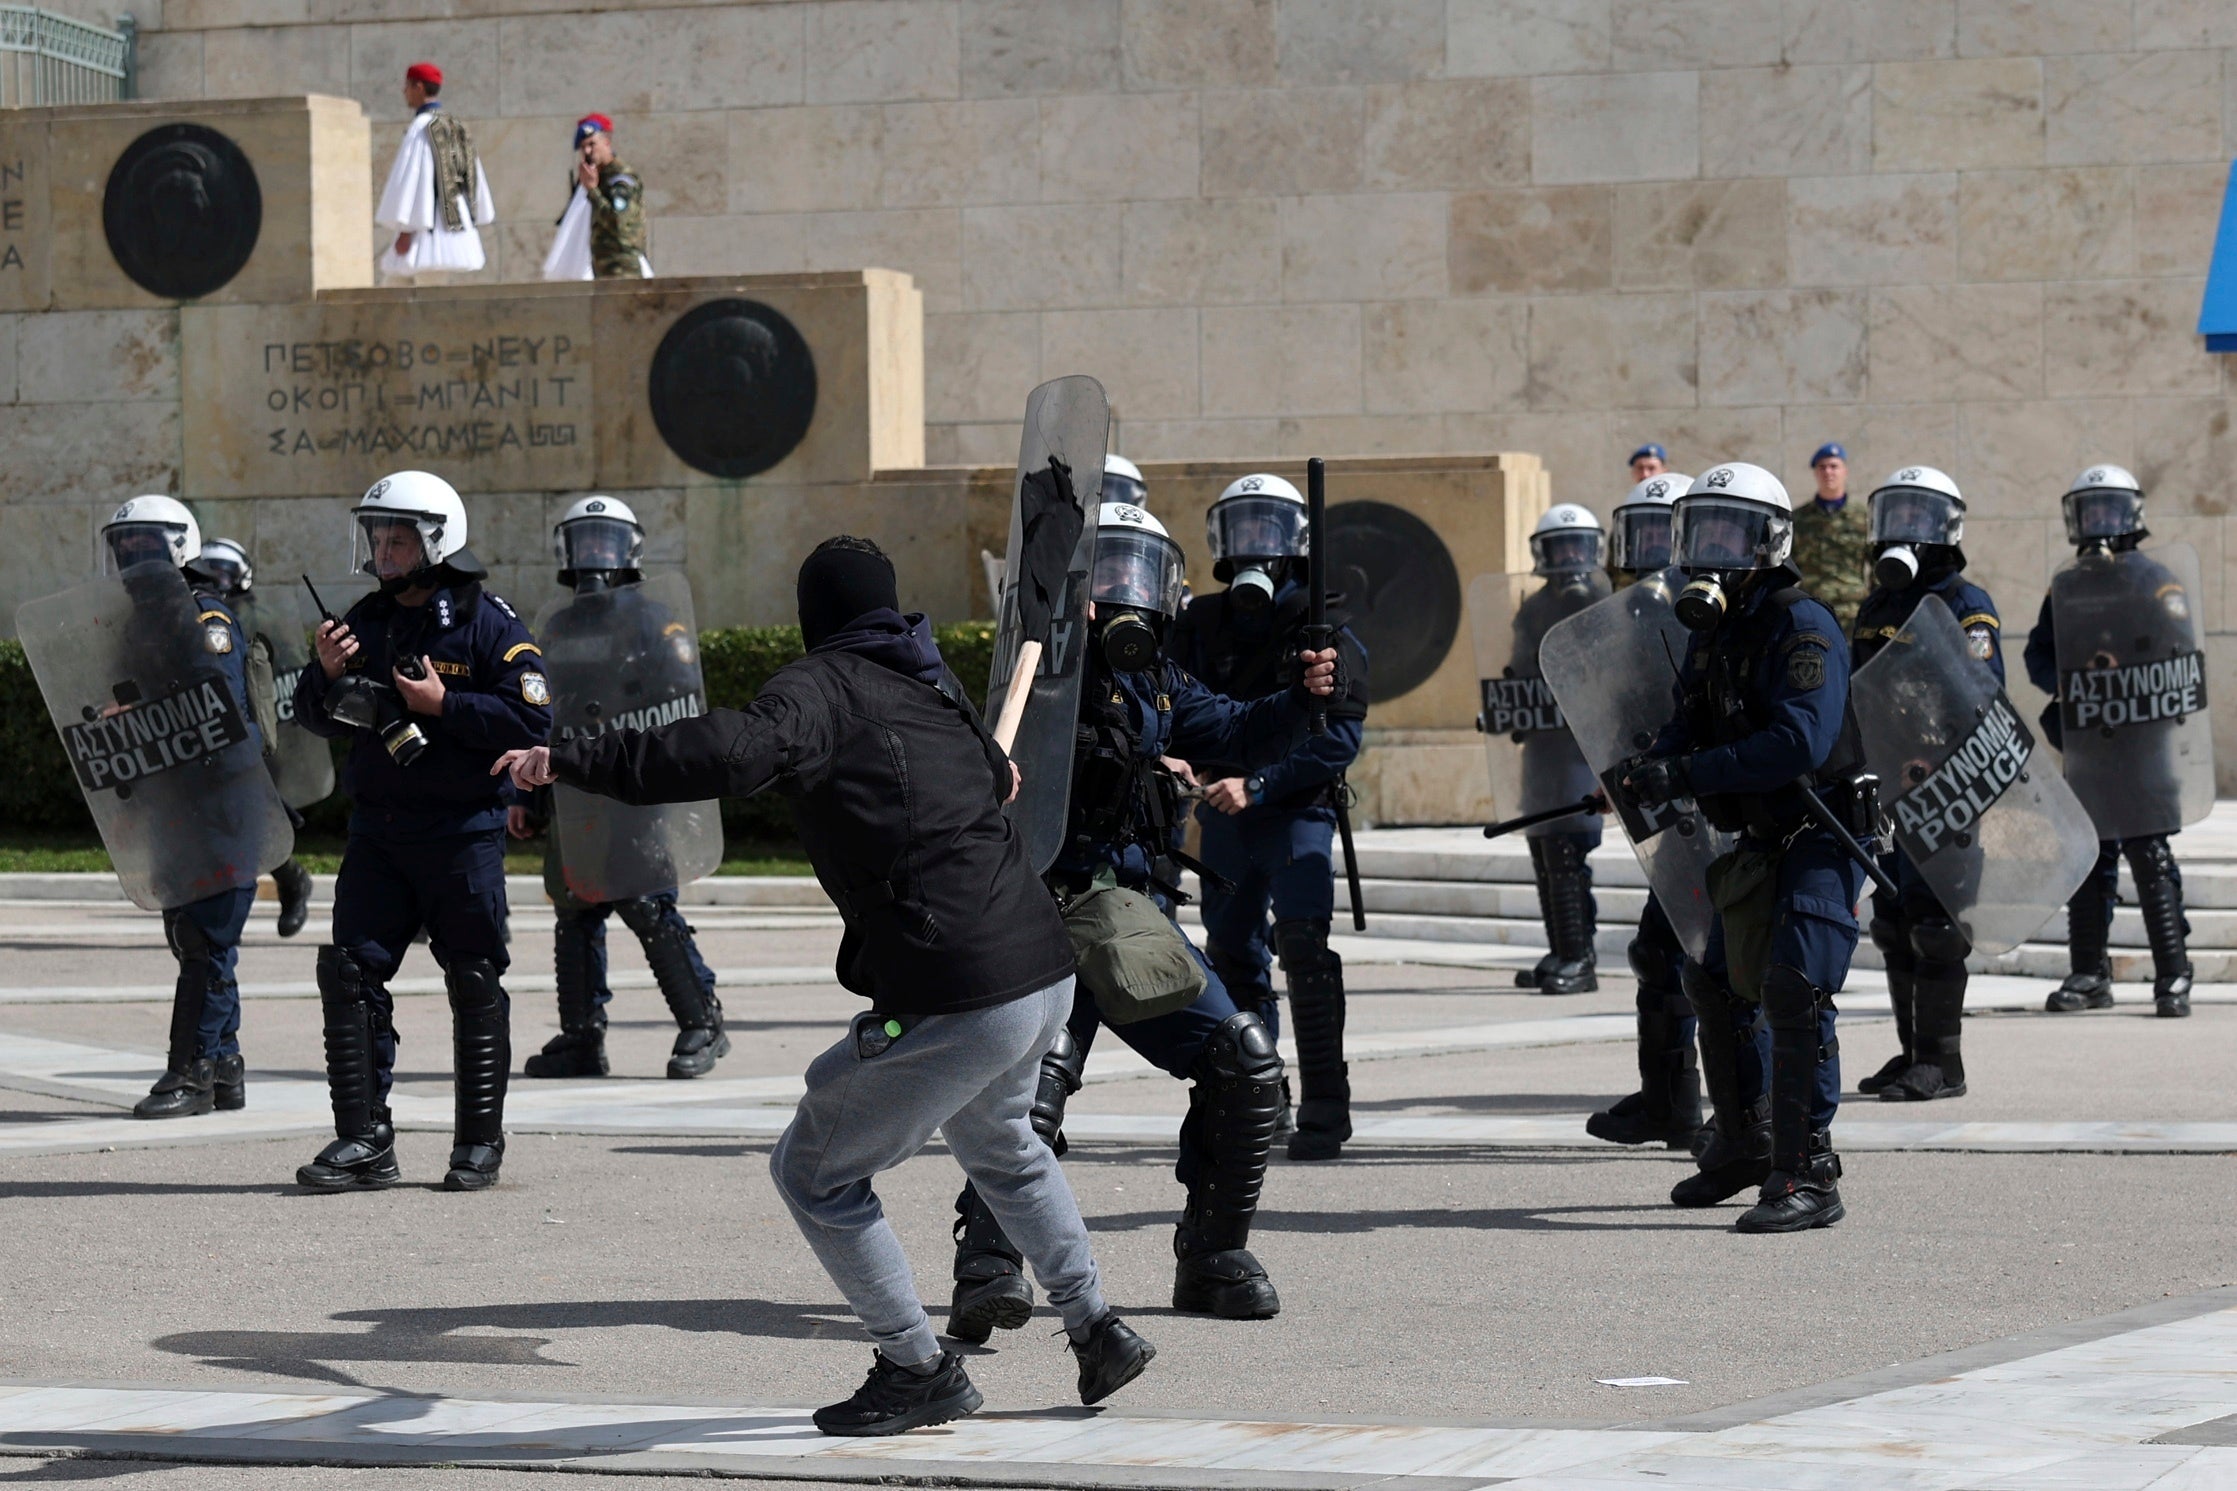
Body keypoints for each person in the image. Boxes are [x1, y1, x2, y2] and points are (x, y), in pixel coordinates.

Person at [497, 536, 1158, 1436]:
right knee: (1001, 1142)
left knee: (814, 1173)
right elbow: (996, 778)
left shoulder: (824, 686)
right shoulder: (931, 681)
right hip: (1040, 973)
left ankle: (913, 1364)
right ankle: (1097, 1325)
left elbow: (728, 751)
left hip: (961, 984)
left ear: (816, 615)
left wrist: (573, 757)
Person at [950, 501, 1340, 1337]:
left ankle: (1212, 1256)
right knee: (1031, 1091)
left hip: (1133, 923)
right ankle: (987, 1266)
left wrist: (1299, 697)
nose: (1122, 592)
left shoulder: (1160, 678)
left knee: (1246, 1063)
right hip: (1046, 916)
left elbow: (1234, 726)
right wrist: (1055, 611)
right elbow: (1025, 736)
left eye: (1135, 571)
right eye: (1104, 573)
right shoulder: (1044, 673)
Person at [1623, 461, 1872, 1233]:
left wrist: (1691, 770)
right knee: (1714, 976)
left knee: (1794, 989)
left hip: (1824, 829)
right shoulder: (1714, 633)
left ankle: (1807, 1171)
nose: (1710, 548)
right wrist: (1654, 764)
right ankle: (1742, 1140)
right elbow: (1687, 718)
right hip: (1761, 833)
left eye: (1727, 529)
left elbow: (1796, 742)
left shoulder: (1802, 625)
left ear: (1768, 539)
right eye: (1698, 529)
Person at [289, 471, 552, 1192]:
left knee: (472, 977)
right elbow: (315, 713)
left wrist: (444, 705)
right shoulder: (362, 617)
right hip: (379, 832)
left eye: (398, 537)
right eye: (377, 536)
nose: (384, 549)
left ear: (438, 538)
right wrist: (325, 673)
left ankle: (477, 1142)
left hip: (462, 832)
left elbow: (533, 722)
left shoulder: (488, 621)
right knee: (349, 971)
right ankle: (363, 1138)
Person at [1166, 471, 1369, 1162]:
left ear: (1296, 541)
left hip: (1295, 812)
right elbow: (1174, 709)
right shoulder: (1195, 623)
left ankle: (1325, 1106)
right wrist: (1183, 764)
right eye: (1241, 526)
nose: (1254, 543)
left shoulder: (1322, 626)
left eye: (1268, 527)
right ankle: (1263, 1093)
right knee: (1231, 956)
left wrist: (1259, 783)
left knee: (1306, 952)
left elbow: (1338, 737)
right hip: (1224, 816)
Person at [514, 496, 726, 1080]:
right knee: (576, 909)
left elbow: (675, 702)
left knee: (647, 902)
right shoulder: (556, 625)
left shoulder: (655, 621)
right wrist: (530, 799)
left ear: (630, 549)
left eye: (605, 541)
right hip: (574, 792)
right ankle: (582, 1037)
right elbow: (543, 720)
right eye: (584, 540)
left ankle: (702, 1022)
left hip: (634, 788)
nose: (594, 554)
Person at [82, 501, 268, 1120]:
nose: (134, 556)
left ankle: (190, 1073)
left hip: (221, 804)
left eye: (147, 544)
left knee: (205, 940)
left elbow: (214, 707)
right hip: (178, 806)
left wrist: (137, 715)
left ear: (180, 547)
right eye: (125, 545)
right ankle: (225, 1063)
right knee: (195, 935)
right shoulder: (143, 622)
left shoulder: (204, 615)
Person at [1849, 466, 1999, 1101]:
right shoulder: (1876, 607)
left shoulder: (1966, 605)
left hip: (1946, 791)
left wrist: (1934, 752)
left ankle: (1944, 1064)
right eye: (1895, 515)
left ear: (1948, 527)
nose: (1904, 529)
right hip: (1886, 794)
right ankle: (1912, 1051)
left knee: (1937, 926)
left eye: (1920, 516)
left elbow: (1986, 695)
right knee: (1892, 921)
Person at [2024, 465, 2195, 1020]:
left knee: (2149, 855)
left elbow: (2179, 653)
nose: (2098, 521)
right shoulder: (2068, 585)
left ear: (2132, 515)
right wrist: (2070, 683)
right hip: (2090, 744)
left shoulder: (2156, 580)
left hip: (2144, 744)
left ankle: (2173, 976)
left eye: (2108, 509)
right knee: (2090, 857)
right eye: (2089, 510)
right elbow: (2037, 655)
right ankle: (2090, 973)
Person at [1585, 473, 1706, 1150]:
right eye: (1640, 534)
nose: (1650, 550)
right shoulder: (1632, 615)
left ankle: (1741, 1111)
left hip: (1718, 806)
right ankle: (1669, 1100)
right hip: (1665, 803)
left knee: (1714, 959)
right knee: (1659, 951)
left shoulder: (1710, 613)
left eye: (1663, 532)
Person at [1506, 504, 1611, 996]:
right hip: (1541, 744)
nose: (1569, 555)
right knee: (1543, 847)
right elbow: (1515, 668)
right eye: (1560, 545)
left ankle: (1579, 956)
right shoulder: (1532, 606)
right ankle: (1559, 947)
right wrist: (1505, 705)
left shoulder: (1603, 600)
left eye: (1577, 545)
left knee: (1568, 848)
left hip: (1577, 747)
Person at [197, 537, 316, 940]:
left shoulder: (256, 617)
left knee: (247, 815)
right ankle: (289, 878)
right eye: (211, 572)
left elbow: (285, 674)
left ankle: (288, 880)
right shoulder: (195, 614)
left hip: (256, 733)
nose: (219, 581)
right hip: (208, 735)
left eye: (225, 573)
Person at [376, 62, 495, 282]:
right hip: (452, 223)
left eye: (408, 86)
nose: (405, 92)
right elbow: (472, 176)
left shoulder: (421, 127)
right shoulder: (455, 125)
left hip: (427, 228)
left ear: (419, 88)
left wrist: (407, 229)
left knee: (426, 288)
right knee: (400, 285)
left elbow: (416, 182)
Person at [541, 114, 652, 281]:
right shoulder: (595, 176)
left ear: (606, 143)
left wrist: (592, 191)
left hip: (622, 266)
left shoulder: (620, 178)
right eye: (583, 147)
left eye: (592, 144)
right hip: (601, 266)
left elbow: (618, 220)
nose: (587, 151)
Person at [1789, 442, 1872, 633]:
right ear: (1815, 473)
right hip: (1811, 610)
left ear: (1845, 471)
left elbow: (1876, 566)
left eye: (1834, 466)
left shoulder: (1864, 517)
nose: (1828, 472)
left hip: (1853, 613)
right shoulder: (1799, 519)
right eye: (1822, 467)